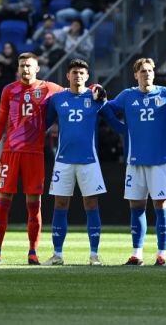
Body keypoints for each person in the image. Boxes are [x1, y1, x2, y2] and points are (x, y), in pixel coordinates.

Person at [0, 53, 68, 265]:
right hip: (10, 153)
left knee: (34, 205)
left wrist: (94, 88)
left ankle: (32, 252)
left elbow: (75, 90)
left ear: (37, 68)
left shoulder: (49, 88)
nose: (26, 69)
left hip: (34, 154)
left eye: (29, 66)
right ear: (18, 68)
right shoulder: (9, 90)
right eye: (22, 66)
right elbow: (1, 123)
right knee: (2, 203)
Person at [42, 59, 124, 266]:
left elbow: (114, 122)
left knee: (91, 204)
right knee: (60, 204)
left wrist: (135, 132)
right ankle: (57, 254)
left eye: (81, 73)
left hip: (89, 160)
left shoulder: (96, 98)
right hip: (63, 160)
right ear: (67, 76)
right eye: (74, 72)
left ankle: (94, 254)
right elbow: (43, 125)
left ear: (87, 77)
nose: (78, 75)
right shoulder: (57, 99)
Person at [104, 58, 166, 266]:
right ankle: (137, 253)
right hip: (134, 160)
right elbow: (106, 109)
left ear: (154, 73)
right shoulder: (127, 95)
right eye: (142, 71)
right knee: (136, 205)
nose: (146, 74)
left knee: (161, 205)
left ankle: (161, 253)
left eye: (149, 70)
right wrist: (121, 129)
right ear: (135, 75)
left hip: (159, 160)